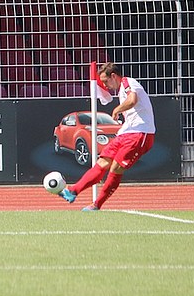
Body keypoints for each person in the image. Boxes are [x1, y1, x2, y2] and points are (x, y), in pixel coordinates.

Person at [54, 62, 156, 211]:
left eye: (106, 81)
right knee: (102, 162)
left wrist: (117, 109)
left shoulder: (128, 82)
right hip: (125, 133)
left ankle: (97, 204)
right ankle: (73, 191)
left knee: (115, 167)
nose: (106, 86)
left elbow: (132, 100)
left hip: (140, 133)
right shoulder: (121, 89)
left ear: (113, 76)